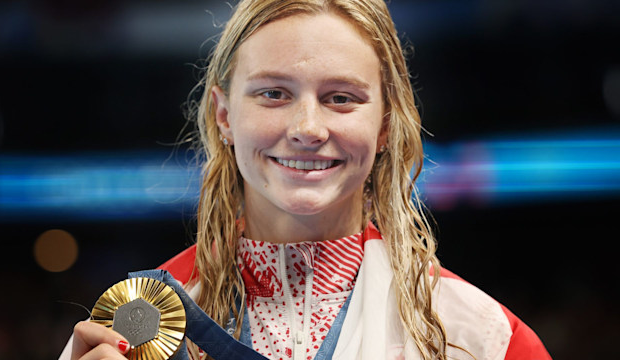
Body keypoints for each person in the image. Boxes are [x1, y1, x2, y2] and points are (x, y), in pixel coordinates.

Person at [60, 0, 552, 359]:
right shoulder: (136, 325)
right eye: (274, 93)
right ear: (224, 114)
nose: (307, 130)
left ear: (384, 126)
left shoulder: (481, 338)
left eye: (341, 98)